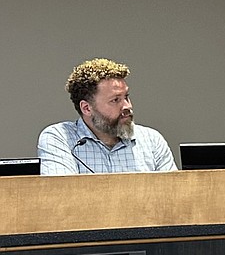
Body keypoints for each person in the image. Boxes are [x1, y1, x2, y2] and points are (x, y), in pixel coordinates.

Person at [37, 58, 177, 175]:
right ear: (86, 108)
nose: (127, 106)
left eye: (126, 97)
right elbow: (61, 197)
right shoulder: (60, 138)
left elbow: (174, 196)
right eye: (115, 100)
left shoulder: (151, 140)